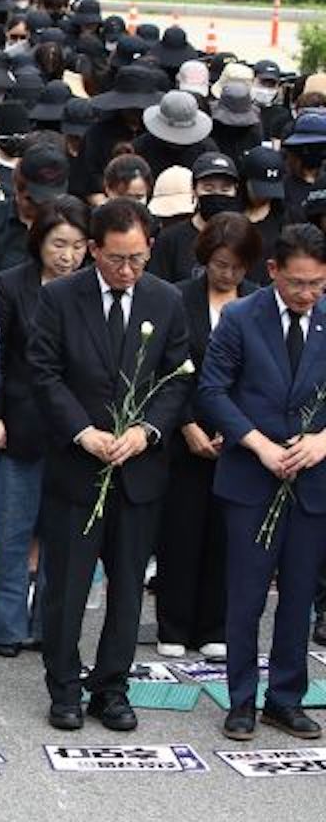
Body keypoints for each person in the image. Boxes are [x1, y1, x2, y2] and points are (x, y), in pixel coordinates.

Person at [30, 197, 193, 733]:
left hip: (139, 470)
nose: (128, 270)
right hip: (78, 466)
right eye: (117, 258)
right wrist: (84, 432)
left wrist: (146, 433)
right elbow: (45, 373)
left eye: (139, 259)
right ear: (93, 250)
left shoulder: (166, 300)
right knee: (69, 585)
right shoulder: (58, 298)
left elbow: (179, 378)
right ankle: (65, 686)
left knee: (127, 585)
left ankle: (113, 686)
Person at [198, 223, 326, 741]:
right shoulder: (240, 317)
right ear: (272, 271)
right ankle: (242, 700)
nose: (307, 293)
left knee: (298, 595)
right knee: (247, 595)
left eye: (317, 283)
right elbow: (212, 391)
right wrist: (258, 443)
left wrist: (323, 441)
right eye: (298, 282)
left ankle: (286, 698)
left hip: (314, 479)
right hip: (252, 477)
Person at [0, 196, 90, 657]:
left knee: (61, 538)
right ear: (38, 241)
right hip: (20, 423)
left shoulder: (90, 288)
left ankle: (50, 624)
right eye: (59, 244)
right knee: (10, 531)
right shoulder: (11, 284)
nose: (68, 256)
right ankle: (6, 628)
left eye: (79, 245)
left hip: (77, 429)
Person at [156, 213, 260, 661]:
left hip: (239, 437)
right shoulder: (178, 298)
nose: (228, 274)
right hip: (185, 435)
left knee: (227, 533)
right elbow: (166, 367)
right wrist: (189, 425)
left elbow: (260, 376)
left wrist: (235, 429)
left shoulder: (257, 302)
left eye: (237, 266)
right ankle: (174, 624)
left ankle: (215, 624)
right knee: (180, 530)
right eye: (220, 264)